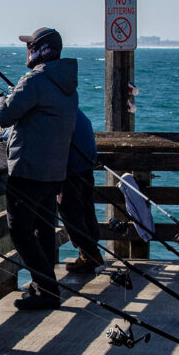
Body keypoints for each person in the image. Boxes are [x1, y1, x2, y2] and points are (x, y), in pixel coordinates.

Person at [0, 27, 78, 310]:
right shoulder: (66, 83)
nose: (26, 50)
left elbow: (6, 116)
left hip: (28, 170)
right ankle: (42, 286)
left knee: (19, 230)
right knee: (43, 229)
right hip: (54, 172)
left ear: (40, 49)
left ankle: (47, 290)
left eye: (29, 45)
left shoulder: (35, 81)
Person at [59, 109, 104, 274]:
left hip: (72, 167)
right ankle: (90, 254)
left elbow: (34, 131)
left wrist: (5, 136)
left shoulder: (53, 108)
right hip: (86, 163)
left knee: (69, 210)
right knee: (86, 209)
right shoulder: (73, 108)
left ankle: (89, 253)